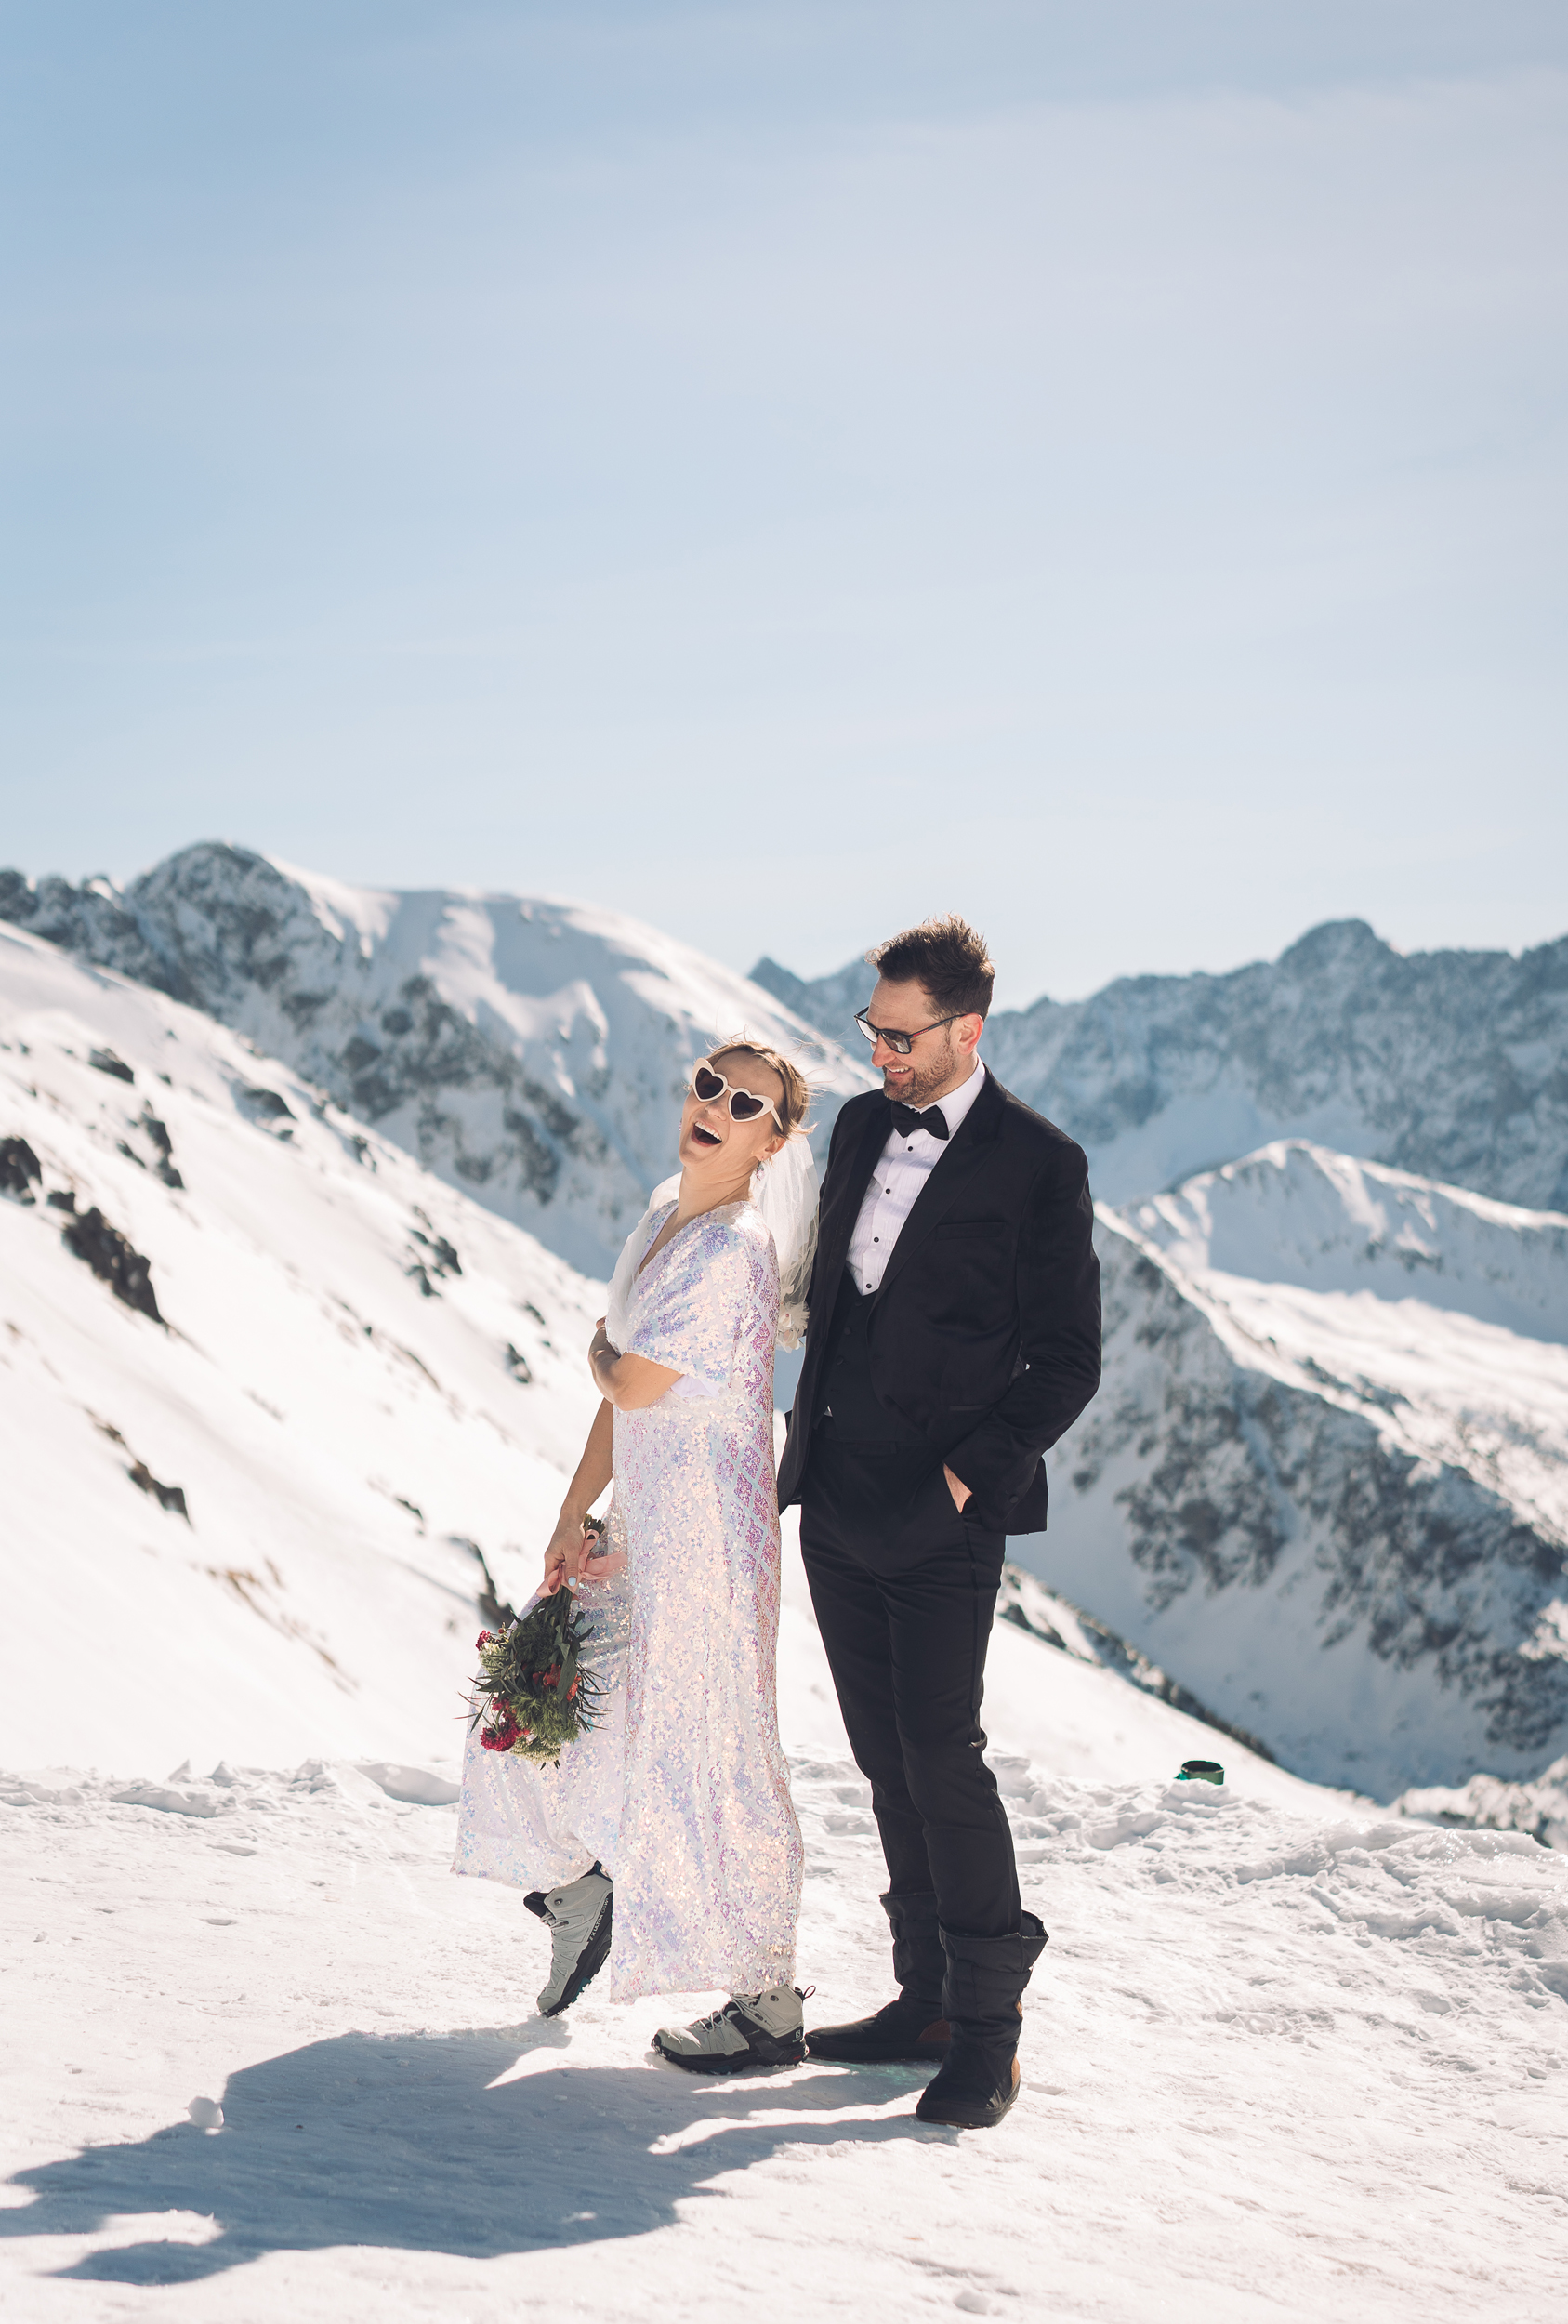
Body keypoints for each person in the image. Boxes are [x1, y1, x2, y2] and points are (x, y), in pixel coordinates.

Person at [777, 916, 1101, 2129]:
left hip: (940, 1512)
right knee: (882, 1762)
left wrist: (964, 1484)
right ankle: (921, 2002)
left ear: (966, 1030)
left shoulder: (1040, 1162)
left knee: (940, 1760)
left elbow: (1068, 1359)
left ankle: (987, 2033)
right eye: (872, 1030)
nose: (879, 1054)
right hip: (834, 1494)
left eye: (901, 1037)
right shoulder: (861, 1126)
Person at [454, 1040, 816, 2075]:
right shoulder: (667, 1219)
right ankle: (578, 1888)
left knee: (713, 1753)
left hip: (708, 1539)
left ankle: (766, 2001)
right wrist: (575, 1514)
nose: (717, 1106)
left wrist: (597, 1353)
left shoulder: (731, 1247)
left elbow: (636, 1383)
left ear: (772, 1142)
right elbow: (622, 1402)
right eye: (710, 1084)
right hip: (650, 1520)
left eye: (746, 1103)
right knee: (534, 1695)